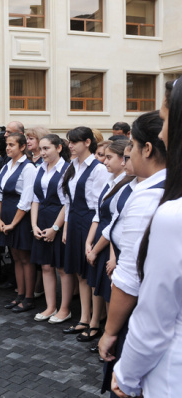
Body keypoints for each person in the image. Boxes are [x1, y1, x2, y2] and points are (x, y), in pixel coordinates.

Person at [111, 81, 181, 398]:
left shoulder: (171, 214)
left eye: (166, 121)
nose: (163, 133)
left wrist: (125, 376)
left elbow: (156, 318)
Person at [96, 110, 166, 396]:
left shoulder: (149, 196)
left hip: (143, 316)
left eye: (132, 148)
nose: (128, 157)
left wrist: (110, 331)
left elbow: (130, 279)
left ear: (146, 149)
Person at [61, 127, 109, 337]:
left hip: (90, 222)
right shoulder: (73, 165)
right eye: (69, 142)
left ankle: (95, 322)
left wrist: (90, 235)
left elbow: (99, 206)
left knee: (91, 274)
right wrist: (66, 227)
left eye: (74, 142)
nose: (70, 145)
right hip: (75, 222)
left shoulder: (98, 169)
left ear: (88, 142)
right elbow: (69, 202)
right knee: (80, 273)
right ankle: (84, 318)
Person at [82, 140, 131, 343]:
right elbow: (98, 214)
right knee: (100, 286)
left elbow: (115, 223)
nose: (103, 161)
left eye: (109, 157)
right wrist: (88, 242)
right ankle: (99, 327)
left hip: (108, 241)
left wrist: (100, 250)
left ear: (122, 160)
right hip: (100, 237)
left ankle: (111, 336)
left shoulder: (126, 185)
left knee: (111, 290)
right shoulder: (110, 181)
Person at [29, 134, 72, 323]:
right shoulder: (39, 169)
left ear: (59, 148)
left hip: (59, 220)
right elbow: (35, 199)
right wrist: (34, 225)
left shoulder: (67, 169)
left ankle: (64, 309)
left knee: (61, 267)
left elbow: (68, 203)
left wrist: (55, 227)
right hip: (41, 220)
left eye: (47, 148)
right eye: (41, 148)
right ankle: (50, 307)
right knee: (46, 266)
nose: (42, 152)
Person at [0, 133, 36, 312]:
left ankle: (28, 297)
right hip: (5, 214)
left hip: (20, 217)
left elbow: (27, 199)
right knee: (15, 257)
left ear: (22, 147)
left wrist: (13, 223)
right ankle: (19, 294)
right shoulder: (5, 167)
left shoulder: (29, 168)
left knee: (25, 258)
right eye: (7, 144)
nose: (8, 148)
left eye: (12, 145)